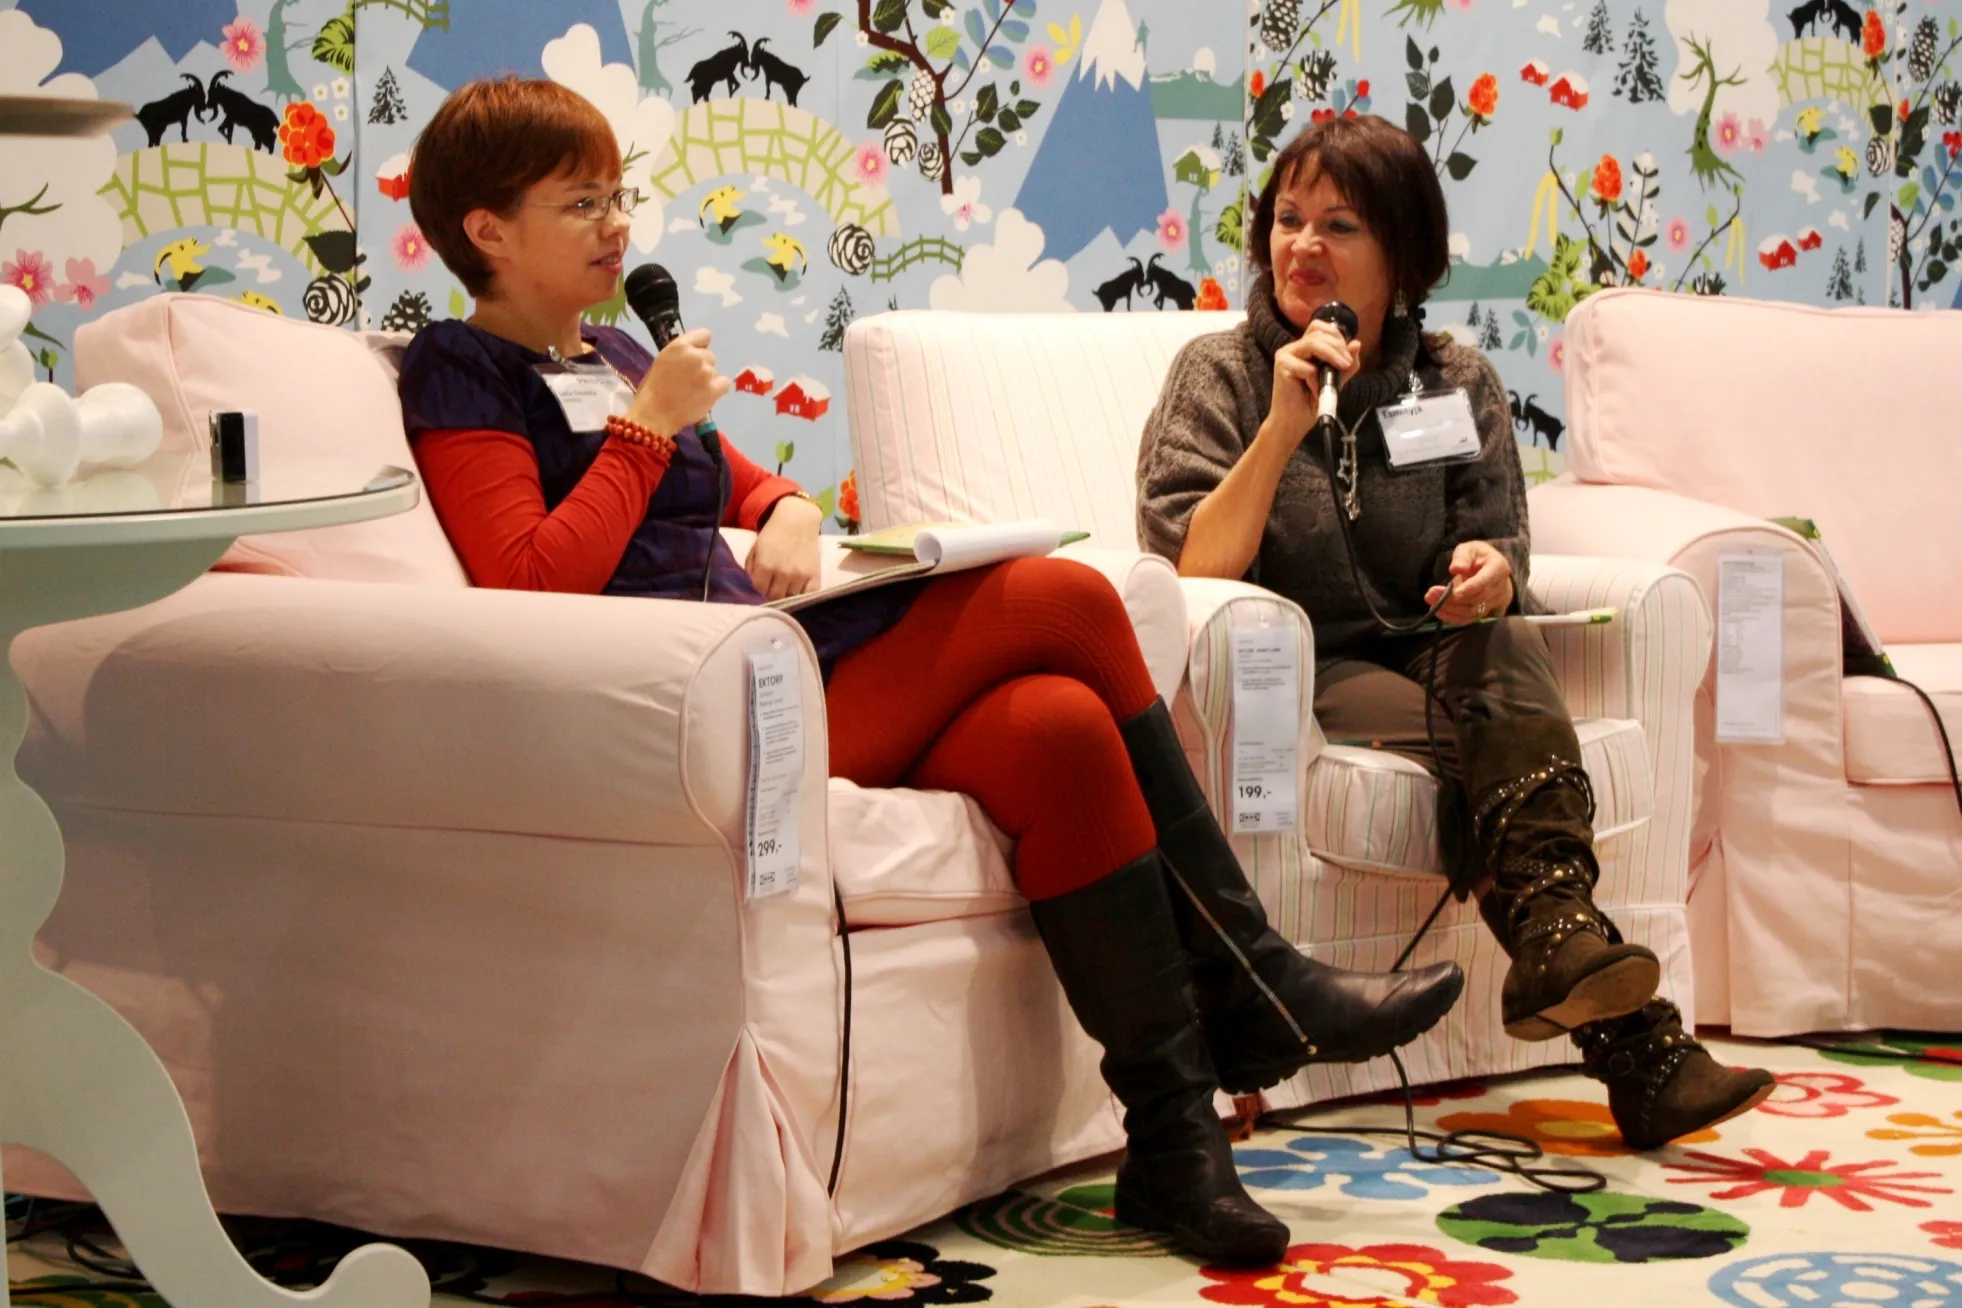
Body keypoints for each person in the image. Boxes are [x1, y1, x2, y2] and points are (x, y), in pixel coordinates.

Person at [395, 78, 1465, 1265]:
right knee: (1064, 597)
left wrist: (792, 503)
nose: (615, 225)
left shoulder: (612, 348)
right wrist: (648, 427)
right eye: (579, 202)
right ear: (487, 232)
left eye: (617, 196)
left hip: (775, 654)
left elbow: (743, 487)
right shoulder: (462, 370)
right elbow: (530, 585)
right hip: (685, 708)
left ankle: (1174, 1144)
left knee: (1057, 728)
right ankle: (1264, 982)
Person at [1135, 115, 1773, 1151]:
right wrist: (1282, 429)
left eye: (1338, 224)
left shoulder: (1456, 379)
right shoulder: (1220, 373)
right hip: (1314, 665)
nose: (1303, 247)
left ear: (1404, 252)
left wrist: (1490, 574)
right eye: (1287, 220)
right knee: (1498, 735)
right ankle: (1635, 1042)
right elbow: (1192, 566)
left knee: (1508, 651)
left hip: (1444, 649)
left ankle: (1575, 964)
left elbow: (1498, 536)